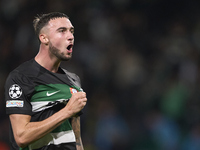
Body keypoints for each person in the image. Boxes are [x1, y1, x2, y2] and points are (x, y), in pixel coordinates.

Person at [4, 12, 87, 150]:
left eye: (71, 31)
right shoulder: (21, 77)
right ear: (44, 38)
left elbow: (77, 140)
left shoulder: (74, 80)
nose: (70, 36)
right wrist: (67, 111)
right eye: (62, 31)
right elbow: (21, 137)